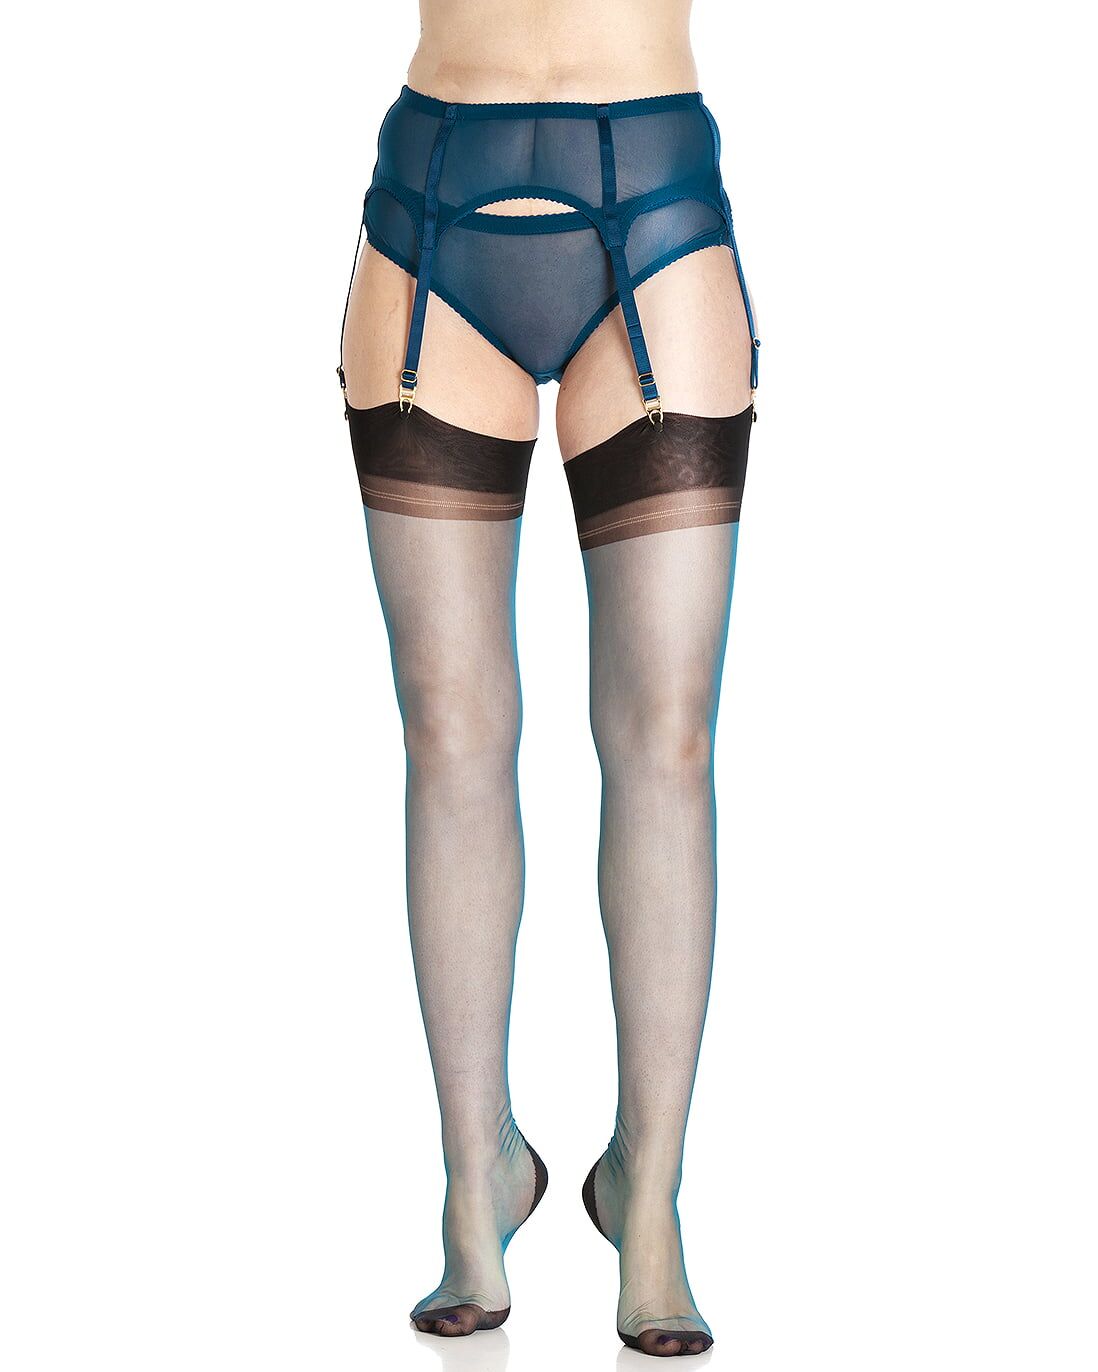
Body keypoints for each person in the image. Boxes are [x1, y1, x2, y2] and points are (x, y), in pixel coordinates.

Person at [338, 0, 759, 1356]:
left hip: (657, 215)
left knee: (668, 734)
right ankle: (476, 1180)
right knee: (448, 726)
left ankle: (652, 1195)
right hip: (431, 210)